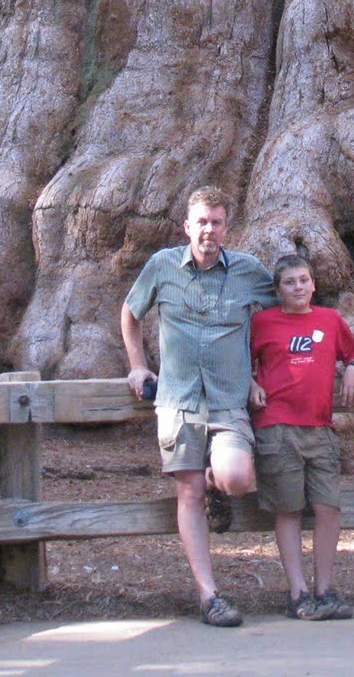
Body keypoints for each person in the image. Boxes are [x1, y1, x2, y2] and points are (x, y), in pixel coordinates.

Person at [120, 186, 275, 628]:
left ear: (228, 226)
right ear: (187, 226)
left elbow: (280, 317)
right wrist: (137, 365)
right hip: (179, 399)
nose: (209, 229)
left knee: (238, 479)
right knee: (187, 493)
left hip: (229, 399)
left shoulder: (249, 272)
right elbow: (130, 313)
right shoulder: (162, 266)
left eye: (217, 222)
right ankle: (209, 594)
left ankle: (215, 478)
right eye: (202, 222)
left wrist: (259, 372)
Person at [248, 254, 354, 621]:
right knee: (288, 510)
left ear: (313, 284)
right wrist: (250, 382)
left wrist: (351, 369)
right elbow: (240, 363)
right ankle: (298, 592)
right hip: (277, 426)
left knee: (328, 507)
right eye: (289, 282)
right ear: (278, 289)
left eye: (303, 280)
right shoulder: (262, 322)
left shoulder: (329, 320)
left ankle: (324, 589)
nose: (298, 287)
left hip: (320, 428)